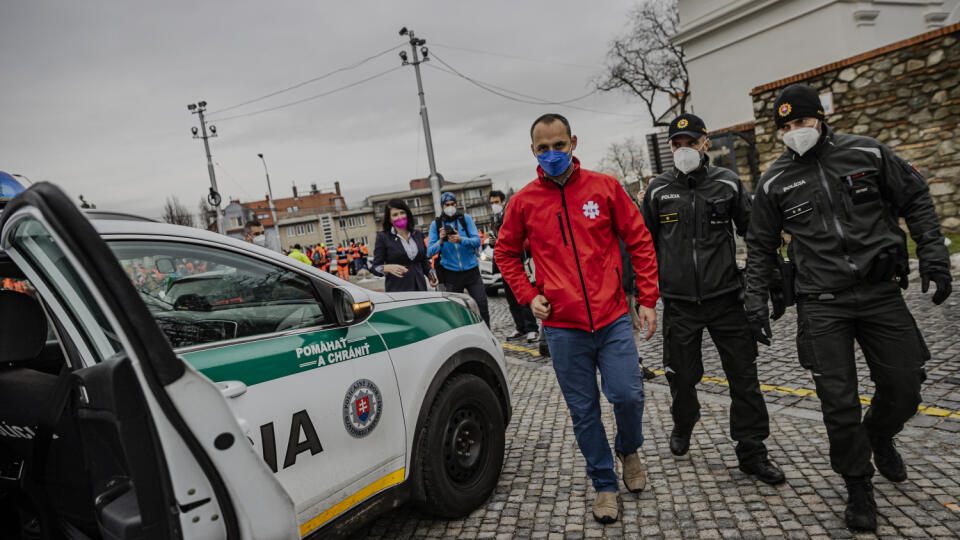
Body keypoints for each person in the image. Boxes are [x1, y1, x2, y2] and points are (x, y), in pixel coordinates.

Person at [743, 84, 952, 532]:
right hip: (821, 303)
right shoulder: (775, 181)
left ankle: (880, 432)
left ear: (820, 118)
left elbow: (915, 196)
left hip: (879, 293)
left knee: (906, 383)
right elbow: (759, 246)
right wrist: (754, 302)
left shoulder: (869, 154)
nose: (793, 131)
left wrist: (933, 254)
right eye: (785, 126)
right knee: (837, 403)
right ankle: (858, 484)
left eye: (800, 122)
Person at [495, 113, 659, 524]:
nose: (552, 153)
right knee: (583, 412)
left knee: (628, 394)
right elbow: (506, 254)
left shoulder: (604, 188)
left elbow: (638, 238)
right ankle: (604, 482)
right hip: (564, 329)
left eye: (559, 145)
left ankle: (629, 448)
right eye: (543, 148)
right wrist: (529, 296)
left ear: (573, 143)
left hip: (613, 318)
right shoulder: (524, 203)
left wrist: (648, 298)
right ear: (533, 151)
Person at [642, 113, 784, 485]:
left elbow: (755, 235)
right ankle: (684, 422)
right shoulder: (658, 191)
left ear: (706, 143)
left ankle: (752, 451)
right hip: (679, 304)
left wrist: (761, 288)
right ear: (669, 147)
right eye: (677, 143)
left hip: (726, 299)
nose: (684, 149)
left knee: (744, 378)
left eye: (691, 141)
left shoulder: (729, 183)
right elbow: (643, 247)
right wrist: (643, 297)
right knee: (682, 378)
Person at [427, 192, 490, 325]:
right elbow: (429, 251)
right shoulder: (436, 224)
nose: (450, 207)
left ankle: (487, 332)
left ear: (456, 204)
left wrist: (461, 239)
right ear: (442, 206)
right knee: (456, 309)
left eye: (452, 204)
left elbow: (477, 241)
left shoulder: (465, 219)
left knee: (481, 304)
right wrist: (441, 240)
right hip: (451, 273)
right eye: (447, 204)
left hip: (471, 270)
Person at [488, 189, 539, 342]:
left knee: (522, 295)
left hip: (518, 261)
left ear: (503, 202)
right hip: (503, 264)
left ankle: (532, 328)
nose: (494, 205)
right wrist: (493, 244)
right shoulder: (494, 218)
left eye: (496, 202)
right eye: (491, 203)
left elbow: (519, 239)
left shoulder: (510, 214)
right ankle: (520, 327)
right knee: (510, 298)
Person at [372, 199, 438, 292]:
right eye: (395, 215)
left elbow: (423, 261)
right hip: (398, 291)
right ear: (390, 219)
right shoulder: (383, 237)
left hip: (420, 288)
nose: (400, 217)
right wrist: (387, 268)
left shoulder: (418, 234)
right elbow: (375, 267)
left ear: (407, 213)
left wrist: (431, 274)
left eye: (402, 212)